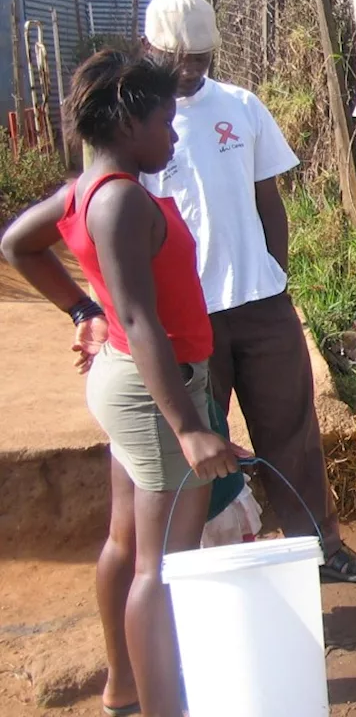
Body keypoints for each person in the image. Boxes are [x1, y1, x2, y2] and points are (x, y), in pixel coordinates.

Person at [2, 49, 248, 716]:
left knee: (127, 542)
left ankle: (123, 687)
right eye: (167, 122)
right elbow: (140, 320)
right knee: (162, 567)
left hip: (130, 383)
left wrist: (84, 309)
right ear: (128, 120)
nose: (173, 136)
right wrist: (190, 428)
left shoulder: (85, 190)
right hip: (152, 390)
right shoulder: (121, 202)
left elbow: (18, 244)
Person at [139, 0, 356, 583]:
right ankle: (196, 571)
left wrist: (275, 273)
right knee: (199, 441)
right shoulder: (138, 127)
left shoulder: (241, 107)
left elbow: (268, 201)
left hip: (261, 304)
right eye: (180, 58)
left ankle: (320, 547)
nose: (192, 69)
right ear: (149, 49)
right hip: (187, 316)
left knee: (291, 431)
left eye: (202, 57)